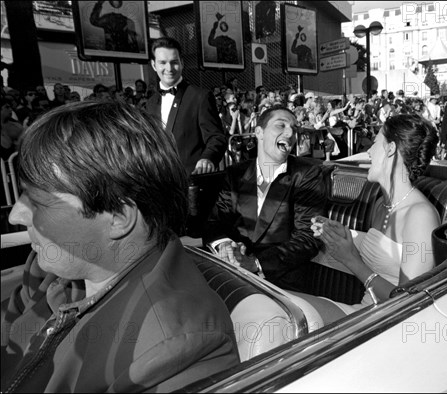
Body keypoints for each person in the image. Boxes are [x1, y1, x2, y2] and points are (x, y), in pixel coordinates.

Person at [0, 101, 240, 392]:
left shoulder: (176, 348)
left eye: (38, 201)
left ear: (118, 218)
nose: (15, 214)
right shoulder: (49, 264)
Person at [311, 114, 439, 313]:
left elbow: (408, 301)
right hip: (365, 311)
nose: (369, 151)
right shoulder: (381, 204)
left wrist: (350, 259)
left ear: (390, 149)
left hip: (386, 323)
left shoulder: (420, 215)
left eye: (374, 143)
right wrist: (347, 241)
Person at [204, 106, 327, 293]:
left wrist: (255, 263)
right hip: (229, 274)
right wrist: (225, 246)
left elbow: (308, 237)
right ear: (259, 132)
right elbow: (215, 222)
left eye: (294, 129)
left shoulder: (306, 174)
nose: (290, 133)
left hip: (280, 283)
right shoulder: (235, 173)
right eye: (281, 125)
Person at [147, 37, 227, 175]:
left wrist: (207, 159)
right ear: (154, 65)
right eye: (162, 63)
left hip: (192, 182)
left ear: (182, 63)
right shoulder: (150, 103)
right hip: (160, 183)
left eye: (174, 62)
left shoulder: (200, 97)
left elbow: (216, 137)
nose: (169, 68)